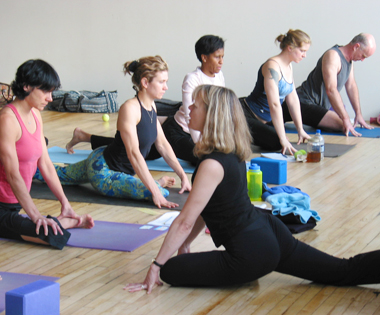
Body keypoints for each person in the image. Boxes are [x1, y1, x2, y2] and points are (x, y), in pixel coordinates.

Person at [125, 84, 380, 294]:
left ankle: (243, 273)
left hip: (253, 252)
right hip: (269, 232)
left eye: (196, 105)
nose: (188, 108)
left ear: (212, 114)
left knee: (171, 271)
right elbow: (203, 210)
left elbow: (184, 221)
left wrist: (156, 266)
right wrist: (185, 245)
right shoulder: (231, 152)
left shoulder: (211, 164)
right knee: (341, 270)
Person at [35, 56, 191, 209]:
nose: (166, 87)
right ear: (145, 82)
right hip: (103, 171)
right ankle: (22, 168)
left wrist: (183, 176)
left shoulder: (152, 107)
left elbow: (163, 145)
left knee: (59, 174)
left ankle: (30, 169)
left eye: (166, 82)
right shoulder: (129, 109)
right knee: (159, 192)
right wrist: (155, 190)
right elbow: (134, 154)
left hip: (102, 159)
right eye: (161, 82)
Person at [65, 35, 225, 165]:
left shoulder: (220, 77)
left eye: (222, 57)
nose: (221, 61)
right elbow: (191, 115)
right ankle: (85, 137)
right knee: (205, 159)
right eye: (217, 57)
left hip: (195, 131)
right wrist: (200, 145)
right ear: (204, 57)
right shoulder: (192, 79)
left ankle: (84, 136)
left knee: (141, 150)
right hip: (180, 132)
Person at [0, 59, 94, 250]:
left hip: (15, 204)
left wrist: (65, 203)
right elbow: (12, 175)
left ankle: (64, 219)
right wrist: (36, 216)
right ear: (26, 86)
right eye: (45, 91)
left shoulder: (35, 114)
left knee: (47, 232)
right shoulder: (7, 120)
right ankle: (67, 223)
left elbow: (46, 164)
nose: (50, 98)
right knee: (50, 236)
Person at [242, 29, 345, 155]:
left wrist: (300, 129)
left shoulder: (288, 66)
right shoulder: (272, 67)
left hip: (263, 119)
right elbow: (274, 104)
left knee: (280, 140)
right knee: (278, 142)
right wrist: (283, 138)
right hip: (245, 114)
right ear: (290, 48)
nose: (304, 55)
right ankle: (236, 132)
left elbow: (293, 99)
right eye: (302, 51)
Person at [296, 33, 376, 136]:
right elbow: (331, 90)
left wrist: (358, 114)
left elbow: (351, 86)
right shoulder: (333, 56)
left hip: (318, 106)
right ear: (356, 46)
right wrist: (345, 118)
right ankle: (283, 110)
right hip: (304, 102)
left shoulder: (349, 61)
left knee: (345, 123)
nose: (362, 60)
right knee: (343, 124)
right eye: (363, 56)